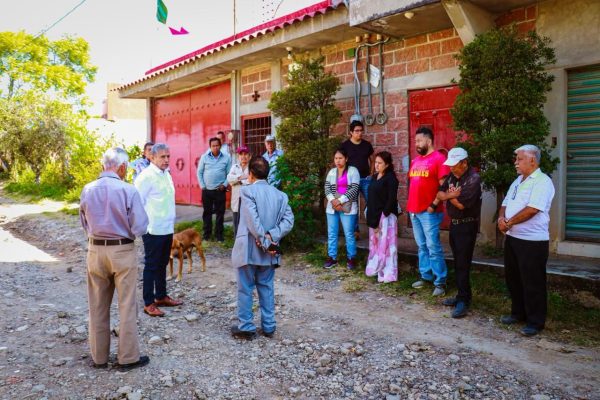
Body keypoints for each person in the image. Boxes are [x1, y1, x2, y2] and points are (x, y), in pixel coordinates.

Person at [79, 147, 150, 370]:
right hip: (122, 250)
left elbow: (84, 223)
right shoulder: (128, 190)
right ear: (122, 167)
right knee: (127, 304)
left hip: (95, 250)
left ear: (103, 166)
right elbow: (140, 227)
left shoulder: (87, 189)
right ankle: (127, 358)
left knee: (97, 305)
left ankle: (99, 357)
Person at [231, 156, 294, 340]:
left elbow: (252, 220)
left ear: (250, 174)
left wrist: (264, 241)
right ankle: (269, 326)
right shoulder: (280, 195)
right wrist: (272, 237)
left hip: (249, 249)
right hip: (270, 252)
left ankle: (246, 327)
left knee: (245, 288)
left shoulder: (247, 191)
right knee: (266, 287)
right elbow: (289, 221)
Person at [498, 144, 555, 337]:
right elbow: (505, 203)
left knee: (533, 281)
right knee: (513, 278)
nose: (515, 162)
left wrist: (509, 222)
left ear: (532, 160)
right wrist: (501, 218)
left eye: (519, 159)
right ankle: (518, 313)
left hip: (532, 241)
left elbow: (533, 209)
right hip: (513, 238)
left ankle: (535, 322)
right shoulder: (518, 180)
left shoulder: (542, 181)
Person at [135, 143, 183, 317]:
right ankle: (149, 302)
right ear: (152, 157)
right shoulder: (146, 176)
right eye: (162, 156)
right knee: (151, 265)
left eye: (168, 156)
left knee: (163, 263)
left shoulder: (166, 174)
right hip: (152, 229)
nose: (166, 159)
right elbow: (137, 202)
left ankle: (161, 296)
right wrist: (142, 225)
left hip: (166, 227)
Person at [436, 148, 482, 318]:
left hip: (467, 225)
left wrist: (447, 196)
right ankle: (461, 295)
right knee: (458, 262)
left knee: (463, 263)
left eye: (454, 165)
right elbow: (439, 193)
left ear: (464, 163)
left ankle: (464, 300)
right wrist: (451, 195)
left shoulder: (473, 179)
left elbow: (462, 204)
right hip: (455, 225)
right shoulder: (452, 176)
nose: (451, 168)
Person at [407, 126, 450, 296]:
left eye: (419, 140)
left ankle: (440, 281)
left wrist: (433, 204)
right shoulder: (416, 161)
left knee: (433, 246)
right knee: (422, 246)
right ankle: (426, 276)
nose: (416, 143)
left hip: (429, 212)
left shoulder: (439, 159)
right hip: (414, 210)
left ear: (429, 141)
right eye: (415, 141)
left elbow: (444, 186)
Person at [365, 151, 400, 283]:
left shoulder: (391, 179)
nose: (376, 165)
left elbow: (391, 199)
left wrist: (383, 216)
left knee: (387, 246)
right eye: (376, 162)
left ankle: (388, 273)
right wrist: (371, 217)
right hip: (374, 216)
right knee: (375, 244)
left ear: (387, 165)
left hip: (386, 217)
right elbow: (371, 197)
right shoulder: (374, 177)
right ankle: (376, 267)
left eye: (380, 163)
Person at [323, 148, 360, 270]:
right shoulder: (331, 172)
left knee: (349, 234)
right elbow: (327, 188)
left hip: (348, 207)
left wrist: (340, 201)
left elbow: (354, 189)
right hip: (332, 207)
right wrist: (333, 201)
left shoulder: (353, 171)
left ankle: (351, 258)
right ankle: (332, 258)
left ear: (346, 159)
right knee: (332, 233)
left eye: (340, 158)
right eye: (336, 158)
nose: (338, 161)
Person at [340, 120, 374, 239]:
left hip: (365, 179)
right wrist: (344, 177)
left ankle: (374, 228)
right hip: (351, 181)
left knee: (372, 202)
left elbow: (372, 159)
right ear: (351, 132)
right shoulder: (345, 146)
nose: (359, 133)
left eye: (361, 130)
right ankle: (355, 232)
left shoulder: (367, 145)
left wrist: (371, 174)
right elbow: (341, 161)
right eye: (357, 131)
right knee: (353, 206)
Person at [197, 137, 232, 242]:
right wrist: (203, 186)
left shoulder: (226, 158)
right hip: (207, 190)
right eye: (213, 146)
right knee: (207, 213)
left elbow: (230, 173)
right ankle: (206, 235)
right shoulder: (204, 157)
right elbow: (199, 172)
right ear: (210, 147)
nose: (215, 147)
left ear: (220, 146)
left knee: (220, 214)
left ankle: (219, 236)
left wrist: (224, 185)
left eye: (217, 145)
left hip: (219, 190)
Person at [227, 145, 251, 236]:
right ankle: (236, 242)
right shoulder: (235, 167)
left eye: (245, 154)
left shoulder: (252, 168)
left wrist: (237, 180)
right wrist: (241, 177)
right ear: (238, 156)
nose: (243, 156)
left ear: (249, 156)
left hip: (248, 201)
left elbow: (252, 181)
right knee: (236, 224)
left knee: (248, 224)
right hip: (236, 201)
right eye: (241, 154)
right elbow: (229, 179)